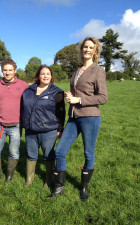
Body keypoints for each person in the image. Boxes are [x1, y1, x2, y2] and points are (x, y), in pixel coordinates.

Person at [49, 37, 108, 200]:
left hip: (90, 118)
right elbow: (78, 92)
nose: (87, 50)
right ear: (81, 49)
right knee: (60, 151)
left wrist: (79, 100)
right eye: (85, 47)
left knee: (88, 153)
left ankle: (84, 187)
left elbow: (103, 98)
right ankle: (59, 188)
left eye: (91, 47)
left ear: (95, 51)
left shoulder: (98, 71)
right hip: (73, 117)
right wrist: (71, 96)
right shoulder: (77, 70)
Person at [22, 65, 65, 189]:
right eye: (42, 73)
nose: (45, 76)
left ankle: (48, 181)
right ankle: (29, 180)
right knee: (31, 155)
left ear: (51, 77)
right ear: (38, 76)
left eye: (48, 74)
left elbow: (61, 113)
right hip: (30, 130)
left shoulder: (57, 92)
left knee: (49, 156)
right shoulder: (28, 91)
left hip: (48, 131)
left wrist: (60, 129)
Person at [0, 58, 28, 184]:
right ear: (2, 71)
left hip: (16, 125)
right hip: (0, 126)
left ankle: (9, 177)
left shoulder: (23, 85)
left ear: (15, 71)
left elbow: (29, 103)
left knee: (14, 152)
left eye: (10, 70)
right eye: (5, 70)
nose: (8, 72)